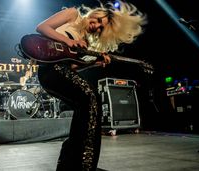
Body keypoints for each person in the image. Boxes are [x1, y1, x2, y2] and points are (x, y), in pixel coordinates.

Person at [35, 1, 147, 170]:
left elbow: (72, 66)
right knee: (91, 96)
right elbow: (42, 27)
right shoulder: (72, 14)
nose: (97, 27)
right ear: (96, 13)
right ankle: (84, 163)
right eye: (99, 21)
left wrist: (93, 63)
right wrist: (68, 40)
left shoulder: (85, 41)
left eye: (101, 28)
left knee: (86, 105)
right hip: (49, 69)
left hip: (62, 71)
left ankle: (71, 161)